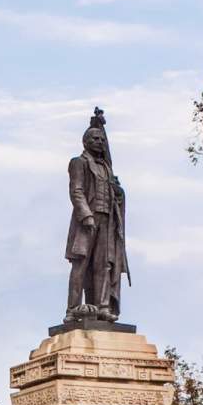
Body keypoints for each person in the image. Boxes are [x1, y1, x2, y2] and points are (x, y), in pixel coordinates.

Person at [65, 112, 129, 321]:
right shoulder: (78, 162)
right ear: (85, 141)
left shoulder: (106, 168)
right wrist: (86, 216)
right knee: (81, 264)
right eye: (95, 138)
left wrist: (118, 193)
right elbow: (76, 191)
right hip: (87, 221)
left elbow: (113, 191)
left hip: (107, 220)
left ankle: (102, 306)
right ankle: (73, 309)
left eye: (102, 139)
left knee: (104, 264)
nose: (100, 142)